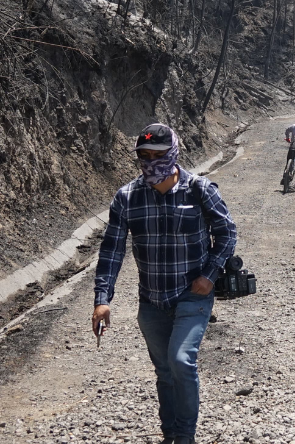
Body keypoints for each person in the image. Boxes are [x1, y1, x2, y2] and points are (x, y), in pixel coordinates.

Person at [92, 123, 237, 444]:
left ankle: (185, 437)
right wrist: (102, 299)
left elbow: (227, 233)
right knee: (164, 372)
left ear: (172, 153)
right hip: (151, 302)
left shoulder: (199, 190)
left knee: (181, 362)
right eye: (143, 155)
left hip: (193, 295)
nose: (149, 161)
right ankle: (170, 433)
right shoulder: (127, 197)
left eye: (156, 154)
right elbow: (112, 249)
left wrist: (210, 274)